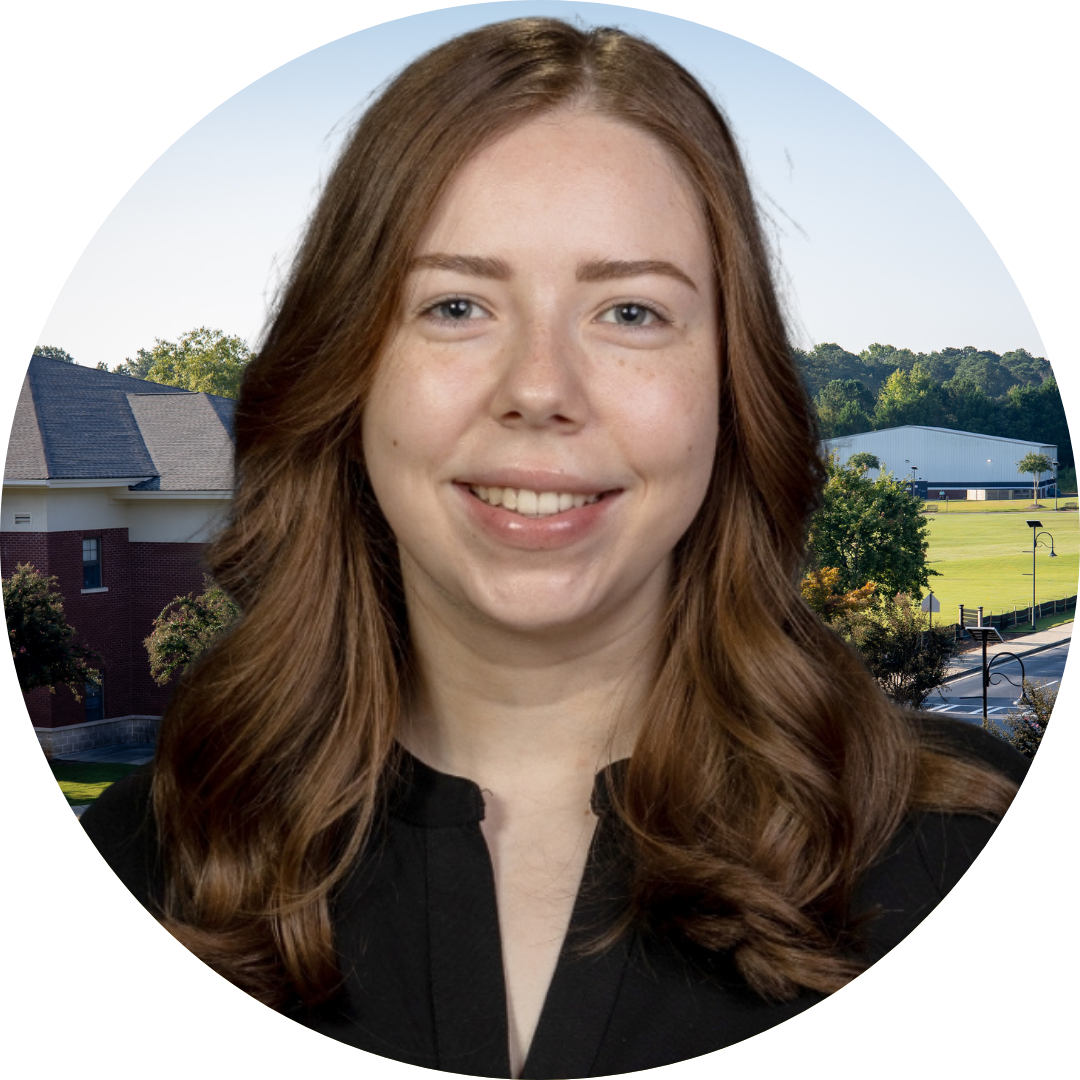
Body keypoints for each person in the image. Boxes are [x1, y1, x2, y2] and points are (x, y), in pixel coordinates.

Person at [81, 17, 1026, 1076]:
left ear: (730, 387)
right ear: (347, 373)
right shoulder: (144, 864)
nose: (539, 390)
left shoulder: (953, 850)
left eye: (629, 310)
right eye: (456, 305)